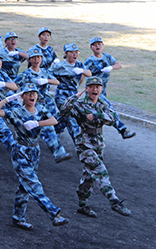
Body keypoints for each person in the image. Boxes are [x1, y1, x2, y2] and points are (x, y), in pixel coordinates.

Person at [0, 83, 69, 230]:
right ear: (23, 96)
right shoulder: (16, 111)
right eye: (28, 93)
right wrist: (8, 99)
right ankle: (54, 214)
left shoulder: (41, 109)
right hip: (20, 150)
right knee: (33, 184)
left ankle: (18, 218)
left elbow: (54, 120)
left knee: (25, 186)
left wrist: (37, 123)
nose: (32, 95)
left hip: (35, 150)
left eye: (34, 93)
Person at [60, 77, 132, 218]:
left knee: (89, 176)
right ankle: (114, 201)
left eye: (98, 87)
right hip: (84, 144)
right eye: (92, 86)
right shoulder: (79, 105)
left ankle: (83, 205)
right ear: (86, 88)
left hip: (98, 143)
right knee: (100, 171)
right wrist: (76, 96)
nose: (95, 89)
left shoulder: (102, 104)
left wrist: (96, 116)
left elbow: (113, 118)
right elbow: (64, 110)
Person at [84, 37, 135, 139]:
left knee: (98, 113)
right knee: (108, 108)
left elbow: (118, 65)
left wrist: (111, 67)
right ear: (91, 47)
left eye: (99, 44)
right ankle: (123, 130)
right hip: (94, 90)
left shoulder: (107, 57)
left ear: (102, 45)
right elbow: (83, 72)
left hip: (103, 88)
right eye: (95, 45)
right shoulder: (90, 61)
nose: (97, 46)